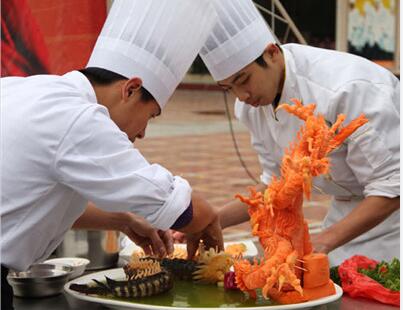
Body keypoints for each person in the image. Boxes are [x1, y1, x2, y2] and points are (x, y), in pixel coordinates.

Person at [1, 1, 222, 309]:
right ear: (130, 89)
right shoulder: (78, 117)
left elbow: (25, 202)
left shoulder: (28, 90)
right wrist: (207, 220)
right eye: (151, 114)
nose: (143, 132)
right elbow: (173, 204)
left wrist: (121, 220)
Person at [198, 0, 399, 266]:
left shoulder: (345, 89)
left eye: (243, 80)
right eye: (228, 88)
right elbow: (275, 186)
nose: (242, 96)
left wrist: (323, 241)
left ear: (271, 53)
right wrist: (212, 221)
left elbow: (392, 185)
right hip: (348, 213)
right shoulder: (250, 107)